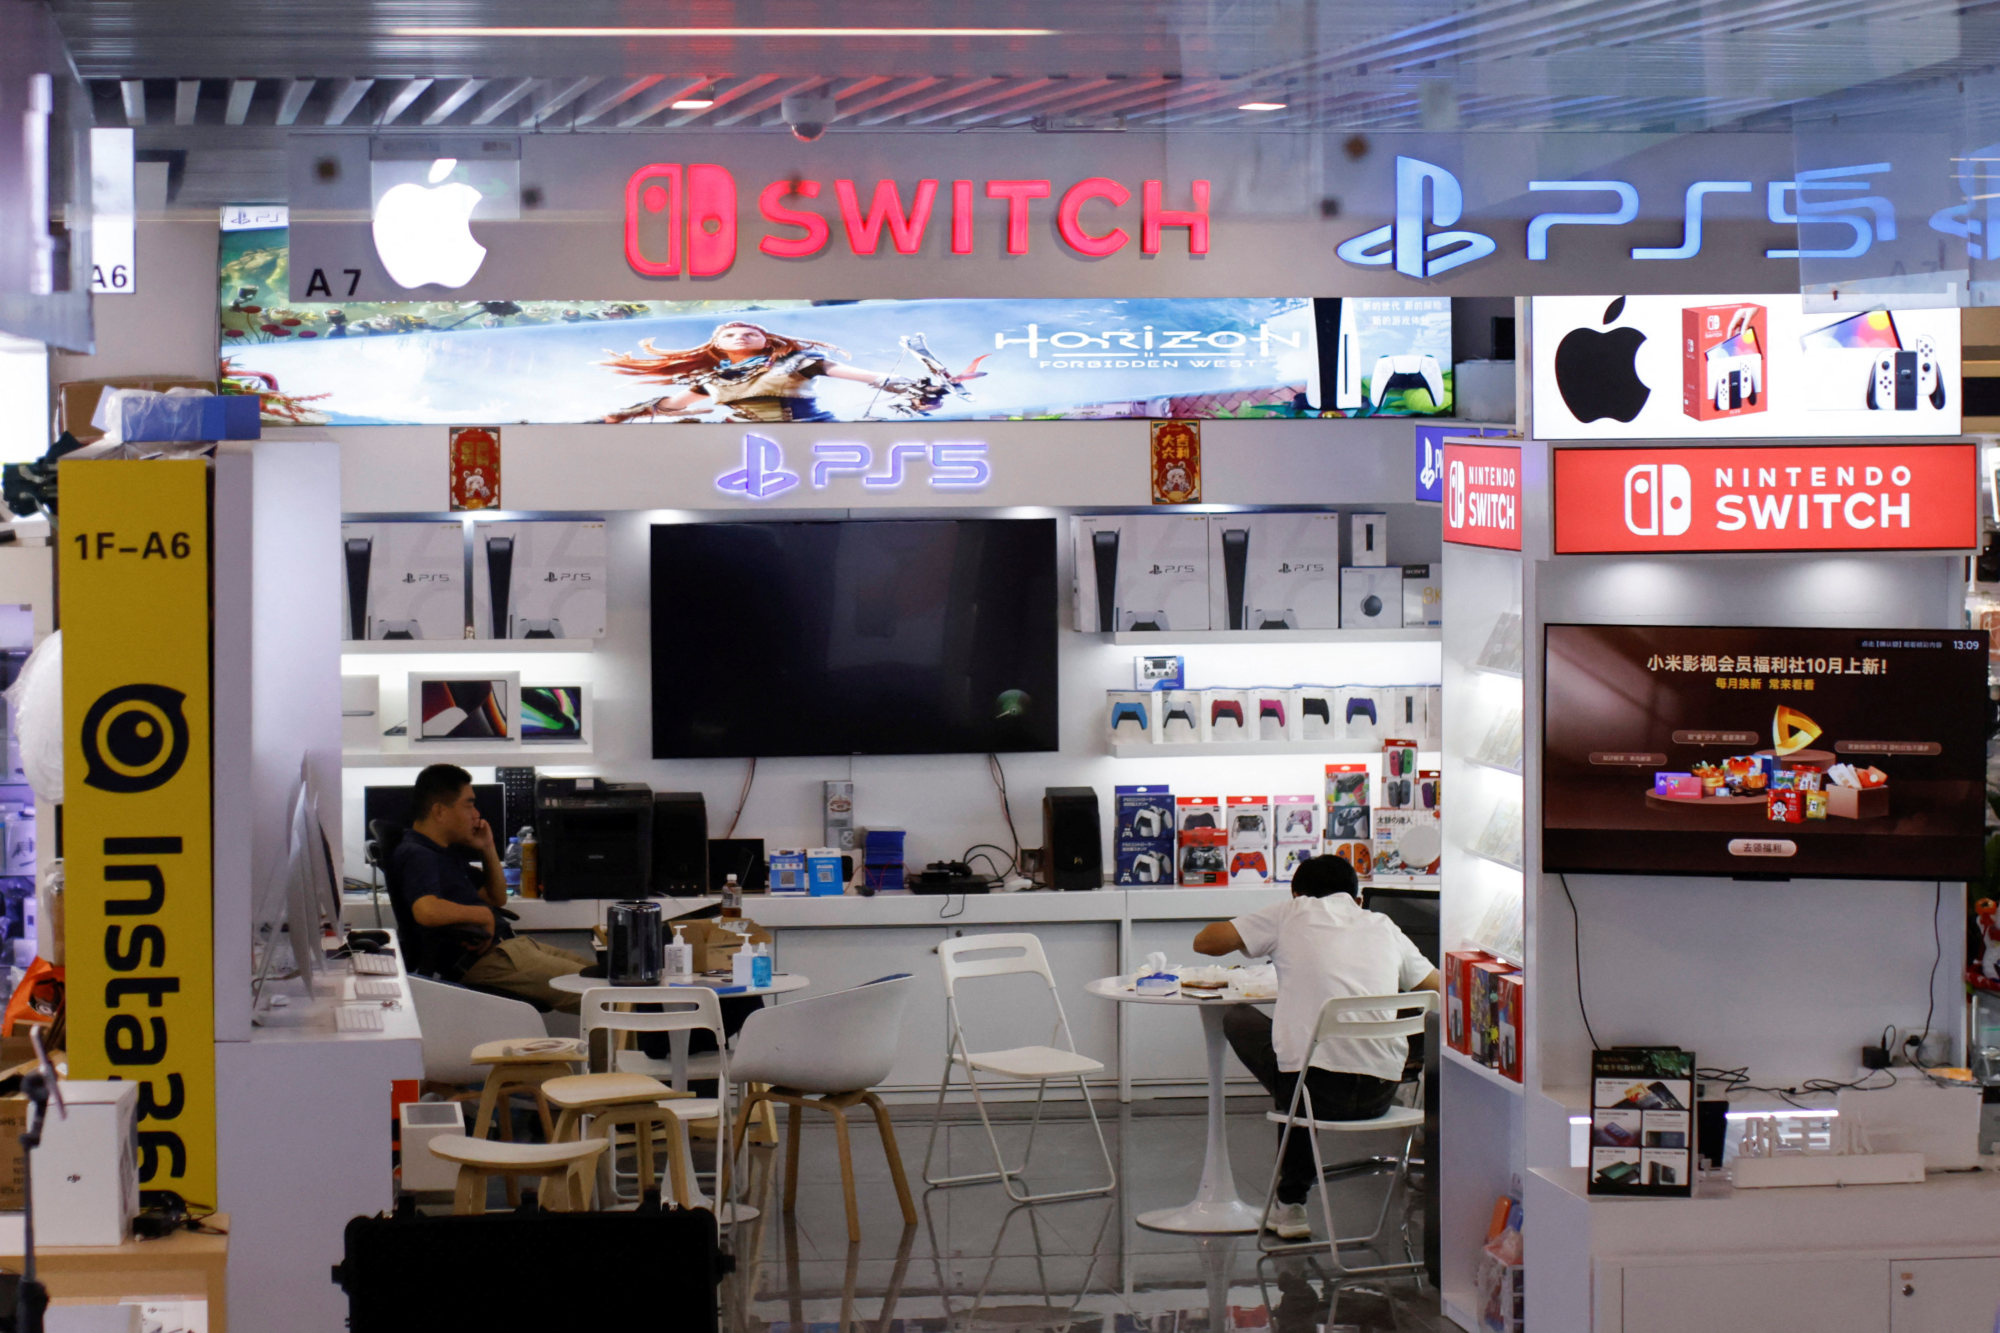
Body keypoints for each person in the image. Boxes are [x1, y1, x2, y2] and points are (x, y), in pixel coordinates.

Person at [1191, 854, 1440, 1240]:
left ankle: (1291, 1205)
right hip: (1382, 1093)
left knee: (1253, 1027)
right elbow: (1438, 987)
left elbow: (1204, 943)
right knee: (1304, 1058)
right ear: (1357, 899)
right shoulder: (1384, 925)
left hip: (1313, 1094)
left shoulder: (1291, 913)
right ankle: (1289, 1203)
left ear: (1296, 893)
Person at [392, 764, 590, 1013]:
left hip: (510, 949)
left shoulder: (442, 853)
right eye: (468, 804)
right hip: (490, 960)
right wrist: (482, 915)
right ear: (440, 812)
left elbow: (496, 897)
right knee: (603, 995)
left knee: (606, 977)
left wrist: (487, 847)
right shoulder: (417, 853)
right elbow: (427, 910)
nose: (476, 813)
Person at [599, 320, 920, 423]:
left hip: (812, 434)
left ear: (766, 340)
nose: (741, 336)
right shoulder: (712, 379)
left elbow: (865, 376)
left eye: (751, 332)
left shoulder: (797, 361)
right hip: (743, 445)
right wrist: (628, 414)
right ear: (718, 346)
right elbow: (674, 404)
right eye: (730, 334)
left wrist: (904, 385)